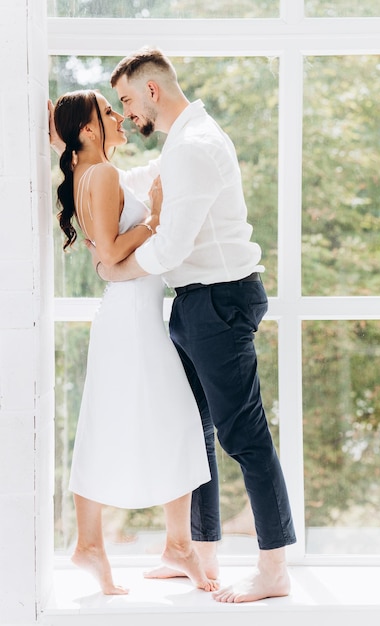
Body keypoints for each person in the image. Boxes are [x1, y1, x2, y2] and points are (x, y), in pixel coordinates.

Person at [85, 47, 297, 604]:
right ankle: (198, 555)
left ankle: (274, 569)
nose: (127, 113)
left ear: (152, 91)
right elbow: (130, 185)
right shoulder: (181, 145)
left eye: (128, 100)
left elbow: (172, 243)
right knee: (194, 429)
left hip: (220, 301)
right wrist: (78, 162)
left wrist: (114, 267)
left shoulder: (195, 147)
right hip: (196, 302)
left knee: (242, 436)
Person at [50, 89, 218, 595]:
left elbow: (107, 258)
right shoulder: (99, 174)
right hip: (130, 321)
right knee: (175, 423)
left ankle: (148, 545)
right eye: (108, 112)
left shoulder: (98, 173)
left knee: (148, 423)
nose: (120, 117)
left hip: (135, 317)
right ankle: (112, 545)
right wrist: (156, 220)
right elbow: (112, 255)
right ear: (87, 130)